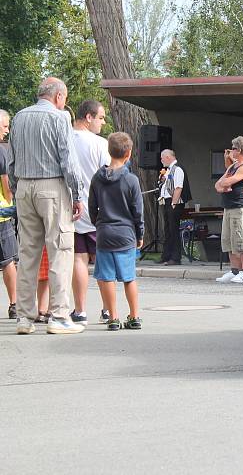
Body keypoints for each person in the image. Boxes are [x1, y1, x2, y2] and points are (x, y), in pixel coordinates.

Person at [9, 77, 84, 335]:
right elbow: (68, 161)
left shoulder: (18, 117)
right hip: (52, 187)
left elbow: (12, 157)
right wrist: (77, 194)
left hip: (24, 186)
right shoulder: (59, 118)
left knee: (27, 253)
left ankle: (24, 317)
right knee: (60, 250)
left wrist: (16, 187)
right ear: (58, 97)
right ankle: (60, 315)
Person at [88, 132, 144, 331]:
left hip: (104, 232)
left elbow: (92, 207)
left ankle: (113, 317)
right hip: (126, 233)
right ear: (128, 154)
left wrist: (99, 224)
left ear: (109, 151)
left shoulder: (97, 178)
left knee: (106, 277)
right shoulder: (131, 180)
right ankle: (135, 316)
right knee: (129, 277)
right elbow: (138, 211)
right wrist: (140, 234)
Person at [70, 99, 110, 325]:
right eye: (101, 117)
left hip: (73, 209)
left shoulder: (63, 140)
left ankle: (80, 310)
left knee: (79, 259)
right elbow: (109, 175)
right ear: (88, 117)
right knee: (104, 259)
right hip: (98, 209)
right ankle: (107, 308)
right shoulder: (99, 144)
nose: (103, 123)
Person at [215, 136, 243, 283]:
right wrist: (224, 185)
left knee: (241, 241)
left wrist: (225, 184)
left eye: (233, 148)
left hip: (240, 207)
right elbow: (219, 184)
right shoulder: (233, 166)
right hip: (228, 207)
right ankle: (234, 270)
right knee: (228, 240)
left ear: (239, 150)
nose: (231, 151)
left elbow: (227, 181)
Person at [0, 110, 18, 319]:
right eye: (5, 127)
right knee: (7, 261)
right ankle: (14, 303)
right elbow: (7, 185)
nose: (7, 131)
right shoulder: (2, 152)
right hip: (2, 216)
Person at [158, 149, 190, 266]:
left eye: (162, 158)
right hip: (167, 201)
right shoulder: (170, 170)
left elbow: (178, 188)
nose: (161, 161)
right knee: (168, 230)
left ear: (167, 157)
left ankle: (176, 257)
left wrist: (173, 203)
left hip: (174, 202)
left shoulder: (177, 169)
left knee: (173, 229)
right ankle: (166, 255)